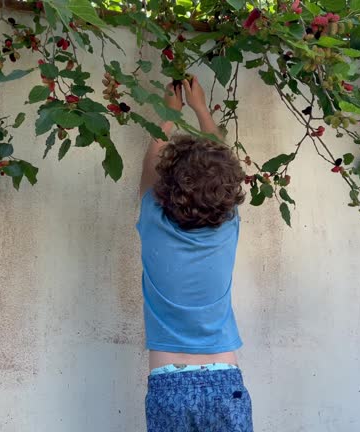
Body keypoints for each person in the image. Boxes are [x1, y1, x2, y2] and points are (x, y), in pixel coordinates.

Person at [136, 75, 252, 432]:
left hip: (167, 382)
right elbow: (221, 167)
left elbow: (149, 167)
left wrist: (168, 114)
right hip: (225, 381)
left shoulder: (153, 219)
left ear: (164, 188)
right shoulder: (226, 227)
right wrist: (202, 108)